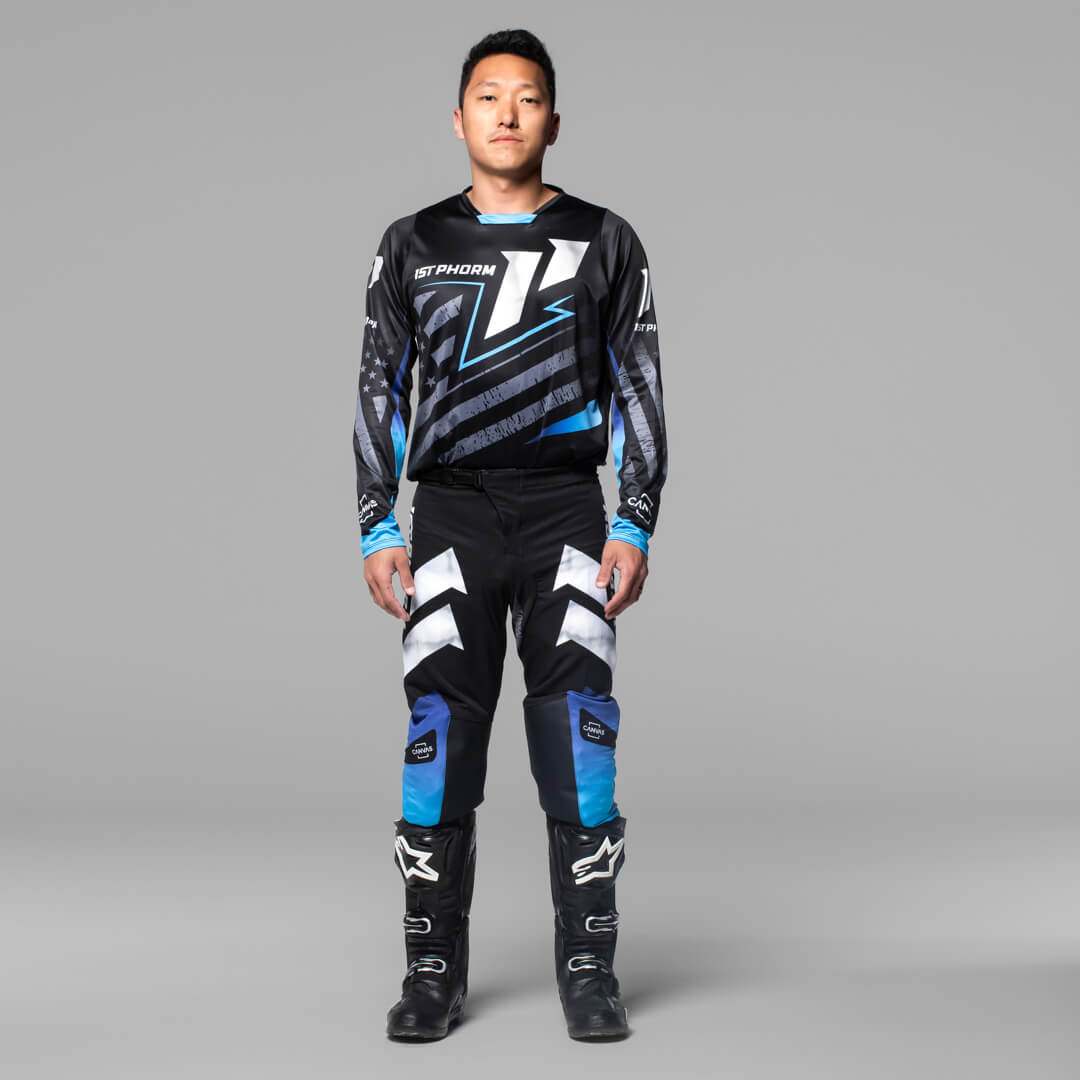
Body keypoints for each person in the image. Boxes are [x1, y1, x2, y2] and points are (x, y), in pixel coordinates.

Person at [353, 27, 668, 1042]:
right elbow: (379, 386)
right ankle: (431, 970)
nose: (506, 113)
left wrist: (635, 519)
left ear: (553, 121)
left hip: (567, 511)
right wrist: (376, 524)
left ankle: (589, 968)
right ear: (458, 119)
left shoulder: (606, 240)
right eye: (489, 96)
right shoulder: (410, 243)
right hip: (447, 516)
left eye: (526, 98)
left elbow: (639, 385)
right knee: (437, 738)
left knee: (581, 732)